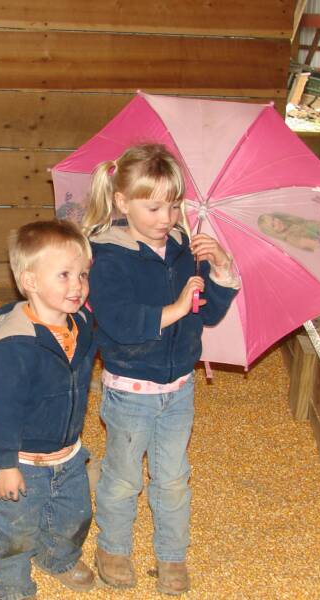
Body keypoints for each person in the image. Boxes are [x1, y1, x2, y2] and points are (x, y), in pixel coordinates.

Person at [81, 144, 240, 595]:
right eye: (152, 206)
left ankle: (171, 555)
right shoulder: (107, 257)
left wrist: (220, 271)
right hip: (131, 390)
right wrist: (173, 308)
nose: (165, 216)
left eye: (173, 204)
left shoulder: (182, 249)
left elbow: (205, 315)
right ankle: (113, 547)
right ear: (120, 202)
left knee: (172, 478)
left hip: (179, 389)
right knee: (124, 477)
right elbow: (122, 323)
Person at [0, 220, 97, 600]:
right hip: (22, 458)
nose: (77, 285)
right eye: (63, 275)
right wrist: (7, 465)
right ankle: (10, 581)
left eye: (82, 274)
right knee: (14, 529)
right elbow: (4, 410)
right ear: (29, 280)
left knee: (74, 516)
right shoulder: (14, 346)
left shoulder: (82, 324)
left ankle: (58, 557)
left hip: (68, 453)